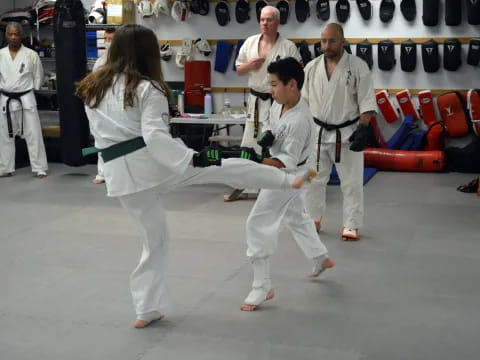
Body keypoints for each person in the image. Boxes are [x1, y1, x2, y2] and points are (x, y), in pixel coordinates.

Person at [76, 24, 315, 329]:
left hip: (120, 176)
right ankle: (287, 180)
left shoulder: (93, 86)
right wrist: (192, 157)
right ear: (147, 54)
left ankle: (146, 309)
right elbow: (154, 137)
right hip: (153, 166)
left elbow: (113, 119)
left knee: (154, 239)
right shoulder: (147, 88)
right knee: (222, 166)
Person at [239, 58, 334, 312]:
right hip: (307, 170)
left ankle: (262, 286)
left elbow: (284, 163)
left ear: (292, 84)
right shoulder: (278, 104)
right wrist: (265, 136)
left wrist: (256, 159)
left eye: (274, 85)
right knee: (294, 215)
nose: (270, 90)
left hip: (296, 175)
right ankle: (319, 257)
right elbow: (270, 126)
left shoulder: (300, 120)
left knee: (257, 222)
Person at [302, 23, 376, 241]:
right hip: (317, 134)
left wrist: (364, 127)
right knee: (312, 180)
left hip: (347, 135)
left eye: (332, 40)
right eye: (323, 40)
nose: (327, 45)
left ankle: (351, 224)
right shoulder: (312, 67)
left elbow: (366, 102)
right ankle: (312, 218)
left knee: (351, 183)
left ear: (342, 41)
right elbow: (303, 102)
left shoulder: (358, 67)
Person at [224, 5, 302, 201]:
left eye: (269, 20)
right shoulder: (250, 43)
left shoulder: (288, 47)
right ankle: (243, 186)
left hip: (278, 102)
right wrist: (250, 65)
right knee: (250, 142)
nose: (265, 24)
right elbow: (239, 69)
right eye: (262, 20)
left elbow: (298, 74)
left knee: (278, 143)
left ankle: (282, 185)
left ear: (277, 22)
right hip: (256, 101)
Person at [0, 22, 48, 178]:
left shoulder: (31, 55)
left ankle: (39, 167)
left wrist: (32, 88)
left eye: (16, 34)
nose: (13, 37)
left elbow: (38, 76)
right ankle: (5, 167)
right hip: (6, 98)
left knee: (33, 133)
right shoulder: (0, 54)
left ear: (21, 36)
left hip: (26, 98)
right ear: (6, 36)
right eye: (10, 34)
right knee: (4, 135)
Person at [91, 27, 115, 185]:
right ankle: (102, 173)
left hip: (120, 104)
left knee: (119, 140)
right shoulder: (100, 62)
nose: (108, 42)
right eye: (106, 39)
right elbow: (93, 83)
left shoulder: (126, 61)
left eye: (111, 39)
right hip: (103, 103)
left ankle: (117, 173)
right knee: (101, 137)